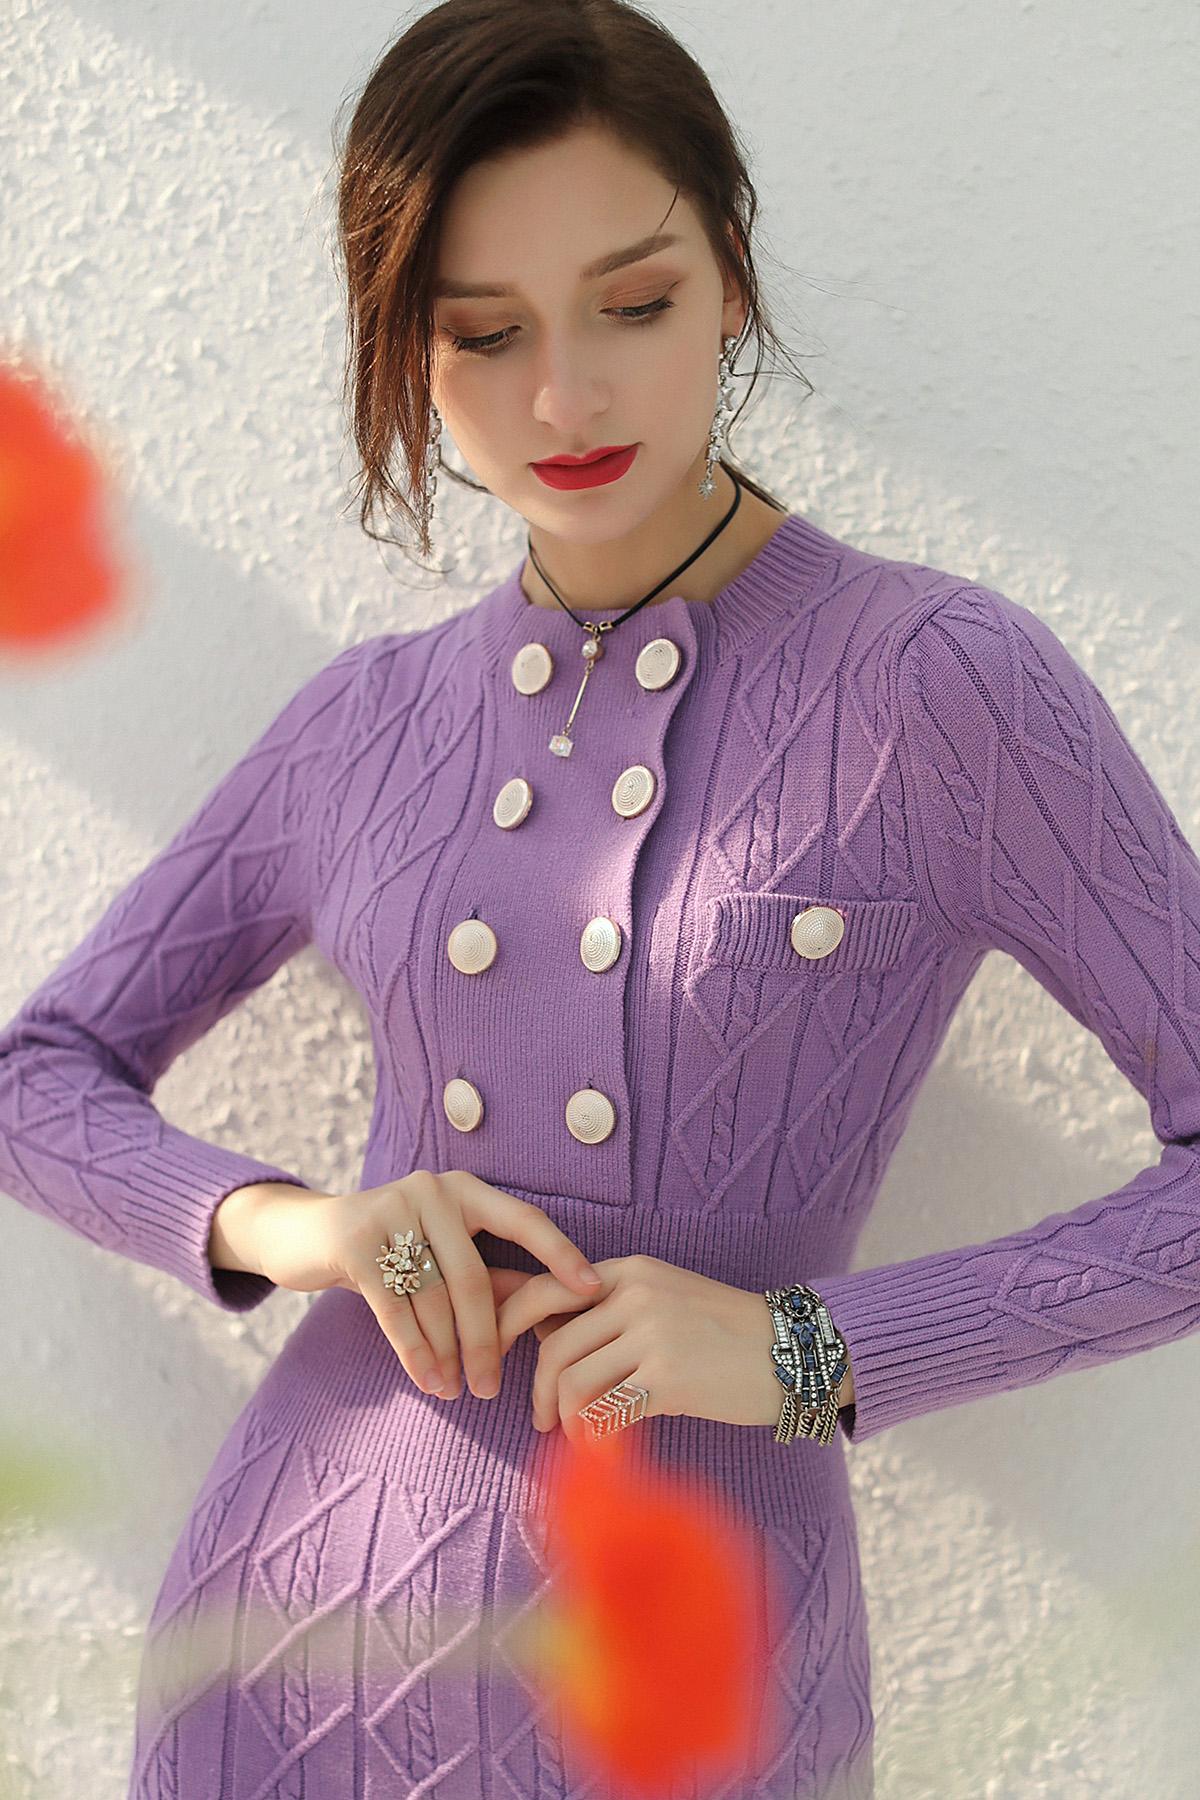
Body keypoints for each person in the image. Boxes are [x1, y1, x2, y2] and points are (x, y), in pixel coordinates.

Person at [1, 3, 1196, 1796]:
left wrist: (804, 1350)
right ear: (407, 355)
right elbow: (39, 1074)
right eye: (483, 335)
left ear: (730, 280)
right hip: (290, 1642)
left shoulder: (941, 688)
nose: (564, 398)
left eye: (633, 303)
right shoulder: (369, 718)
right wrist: (305, 1230)